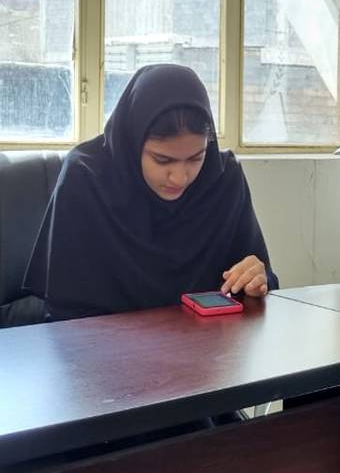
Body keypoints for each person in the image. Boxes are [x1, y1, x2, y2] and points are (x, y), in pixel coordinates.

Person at [23, 63, 278, 320]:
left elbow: (256, 281)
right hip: (104, 342)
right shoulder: (85, 179)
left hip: (207, 340)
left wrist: (257, 278)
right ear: (133, 143)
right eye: (163, 160)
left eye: (195, 158)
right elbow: (66, 312)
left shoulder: (222, 180)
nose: (180, 177)